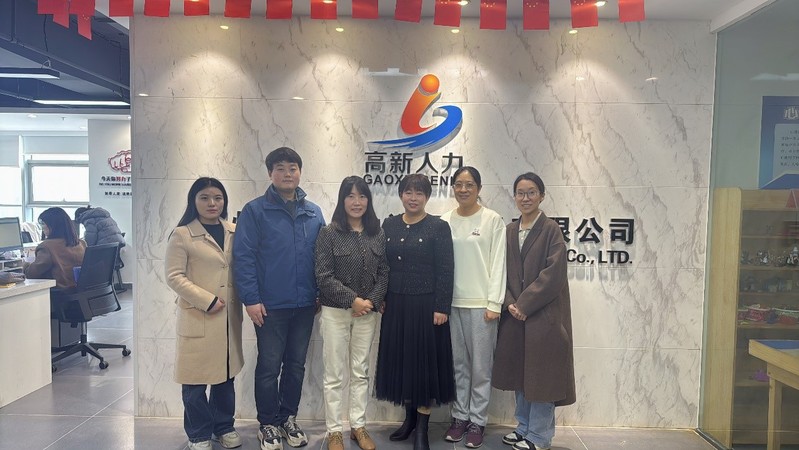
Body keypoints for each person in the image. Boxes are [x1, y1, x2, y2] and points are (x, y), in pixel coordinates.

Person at [233, 147, 325, 450]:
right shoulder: (255, 211)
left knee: (296, 365)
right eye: (281, 168)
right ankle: (268, 424)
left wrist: (319, 294)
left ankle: (288, 418)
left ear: (300, 172)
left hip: (305, 305)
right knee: (269, 366)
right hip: (270, 306)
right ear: (270, 173)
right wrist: (251, 299)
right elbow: (244, 257)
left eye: (293, 168)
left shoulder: (314, 213)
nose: (287, 174)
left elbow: (322, 258)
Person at [492, 173, 576, 450]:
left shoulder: (551, 230)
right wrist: (510, 303)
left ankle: (539, 436)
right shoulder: (509, 231)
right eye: (520, 192)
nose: (525, 198)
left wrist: (524, 305)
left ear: (542, 195)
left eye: (531, 192)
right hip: (515, 315)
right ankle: (524, 428)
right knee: (521, 374)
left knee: (543, 377)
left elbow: (553, 274)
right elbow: (498, 271)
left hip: (544, 316)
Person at [374, 173, 455, 450]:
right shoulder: (390, 224)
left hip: (426, 306)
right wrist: (382, 297)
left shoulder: (438, 227)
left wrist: (442, 307)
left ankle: (422, 428)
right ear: (400, 195)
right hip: (396, 304)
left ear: (427, 197)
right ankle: (408, 420)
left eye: (419, 193)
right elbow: (383, 266)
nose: (413, 198)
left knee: (423, 367)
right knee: (403, 363)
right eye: (408, 192)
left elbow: (446, 270)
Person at [165, 177, 244, 450]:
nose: (212, 203)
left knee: (225, 376)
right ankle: (198, 433)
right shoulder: (182, 234)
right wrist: (207, 300)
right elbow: (174, 276)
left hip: (228, 319)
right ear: (194, 201)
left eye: (218, 198)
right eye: (205, 197)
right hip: (199, 316)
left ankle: (224, 427)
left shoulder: (234, 231)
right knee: (195, 381)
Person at [315, 176, 389, 450]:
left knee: (360, 372)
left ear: (368, 200)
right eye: (351, 196)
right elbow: (323, 276)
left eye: (362, 196)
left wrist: (370, 301)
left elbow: (384, 272)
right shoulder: (328, 233)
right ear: (342, 200)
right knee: (334, 374)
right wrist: (353, 301)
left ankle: (358, 426)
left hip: (367, 313)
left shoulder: (377, 233)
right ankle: (335, 431)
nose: (357, 202)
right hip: (336, 313)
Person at [441, 167, 507, 448]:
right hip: (452, 304)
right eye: (458, 184)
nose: (463, 189)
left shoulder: (492, 220)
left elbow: (498, 262)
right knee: (458, 366)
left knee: (481, 369)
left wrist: (494, 303)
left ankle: (478, 421)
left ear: (479, 188)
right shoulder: (445, 221)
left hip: (482, 307)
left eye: (469, 184)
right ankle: (459, 417)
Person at [23, 207, 86, 289]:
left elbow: (31, 274)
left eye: (43, 224)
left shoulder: (46, 247)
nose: (42, 228)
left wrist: (25, 265)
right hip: (79, 291)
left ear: (52, 225)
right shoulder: (81, 243)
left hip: (59, 292)